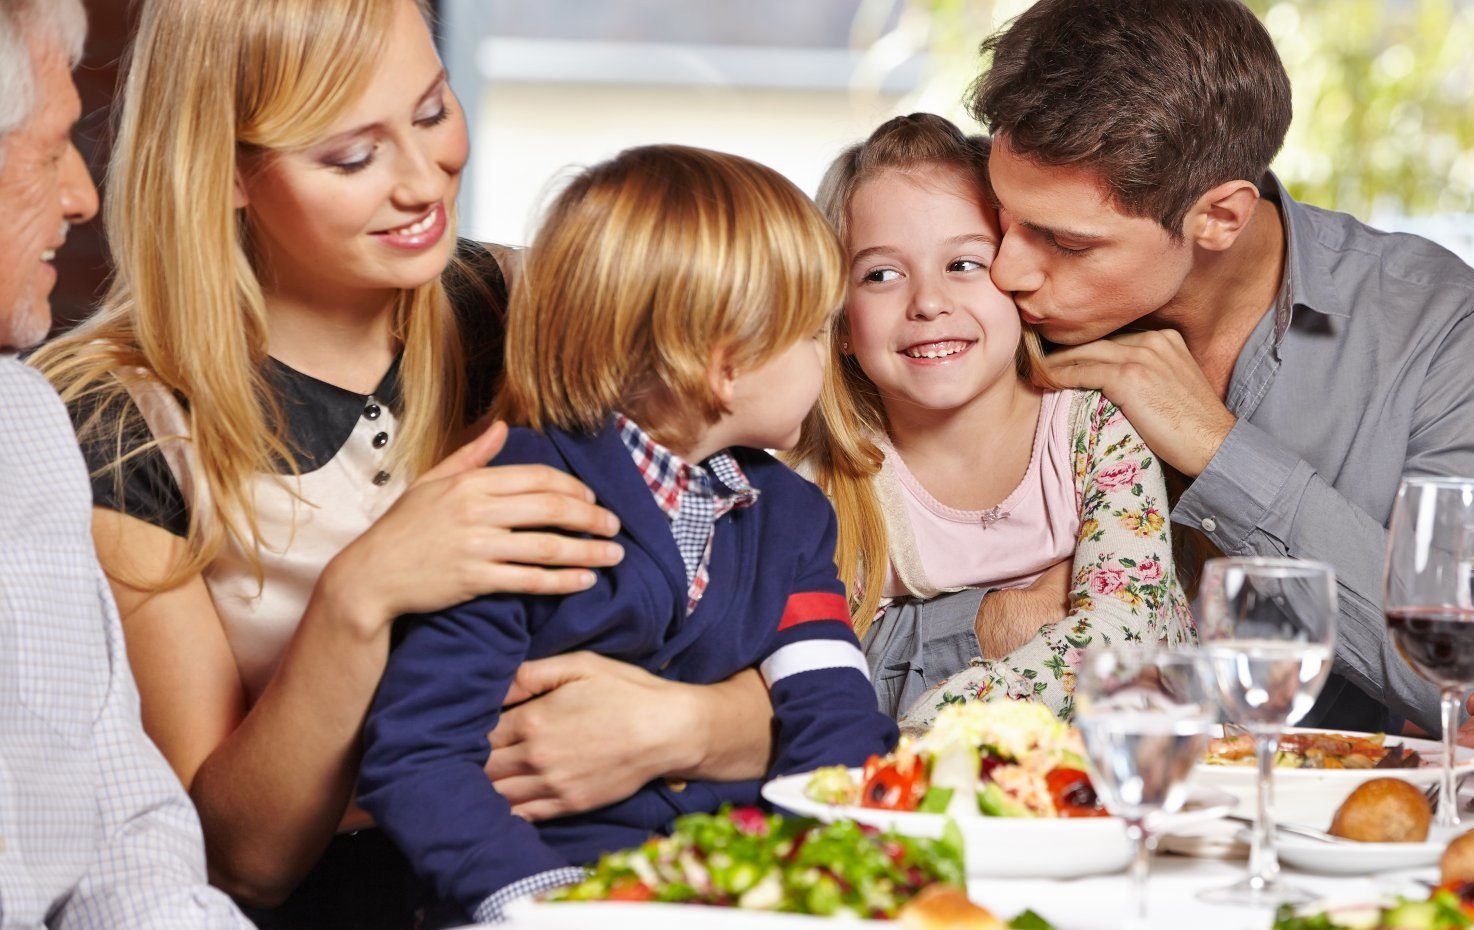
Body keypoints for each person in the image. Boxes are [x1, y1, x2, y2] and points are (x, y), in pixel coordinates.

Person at [31, 1, 779, 925]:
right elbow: (233, 861)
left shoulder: (531, 309)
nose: (425, 181)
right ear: (224, 171)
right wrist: (362, 594)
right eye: (352, 156)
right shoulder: (113, 419)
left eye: (431, 111)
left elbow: (787, 582)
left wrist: (689, 727)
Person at [877, 0, 1474, 734]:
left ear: (1219, 216)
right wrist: (994, 620)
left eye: (1066, 241)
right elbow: (808, 636)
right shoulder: (966, 326)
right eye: (1005, 217)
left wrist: (1220, 451)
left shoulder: (1435, 327)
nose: (1005, 268)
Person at [358, 144, 896, 925]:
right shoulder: (513, 501)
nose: (828, 355)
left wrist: (809, 875)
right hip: (536, 896)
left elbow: (835, 711)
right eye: (815, 332)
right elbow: (419, 754)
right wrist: (541, 906)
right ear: (727, 366)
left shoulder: (792, 519)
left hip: (728, 892)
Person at [794, 113, 1191, 725]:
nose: (928, 302)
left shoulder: (1095, 430)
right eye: (881, 274)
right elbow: (817, 680)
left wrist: (934, 723)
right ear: (842, 322)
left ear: (1019, 279)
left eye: (964, 264)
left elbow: (1123, 633)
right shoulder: (830, 482)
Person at [0, 0, 248, 925]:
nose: (82, 196)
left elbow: (126, 831)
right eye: (50, 147)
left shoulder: (22, 424)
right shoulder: (112, 419)